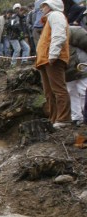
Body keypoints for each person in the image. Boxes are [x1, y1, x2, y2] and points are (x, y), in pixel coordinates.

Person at [36, 0, 72, 128]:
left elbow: (59, 36)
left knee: (58, 89)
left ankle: (63, 118)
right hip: (46, 59)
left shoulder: (56, 15)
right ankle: (53, 119)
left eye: (44, 5)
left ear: (52, 5)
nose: (42, 8)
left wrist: (53, 54)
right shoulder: (49, 19)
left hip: (53, 59)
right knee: (49, 92)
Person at [65, 26, 87, 125]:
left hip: (80, 64)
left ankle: (83, 114)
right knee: (71, 91)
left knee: (83, 90)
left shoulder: (75, 31)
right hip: (67, 68)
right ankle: (77, 116)